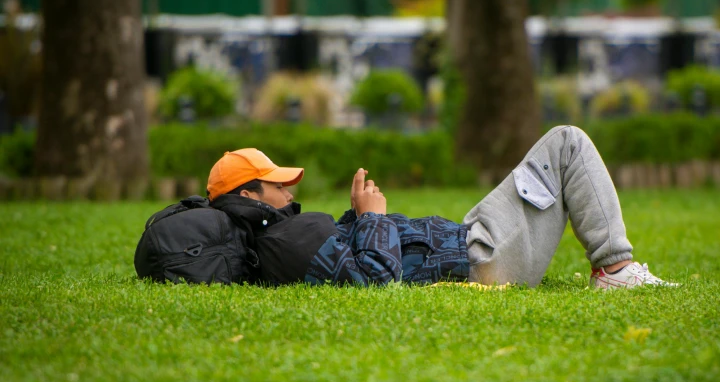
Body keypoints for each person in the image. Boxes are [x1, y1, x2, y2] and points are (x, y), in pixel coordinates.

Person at [206, 126, 678, 289]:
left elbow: (350, 260)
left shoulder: (283, 232)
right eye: (277, 184)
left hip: (470, 236)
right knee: (568, 143)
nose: (289, 192)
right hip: (480, 259)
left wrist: (356, 215)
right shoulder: (282, 242)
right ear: (249, 195)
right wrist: (372, 218)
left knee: (562, 146)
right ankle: (615, 268)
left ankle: (614, 267)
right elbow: (373, 279)